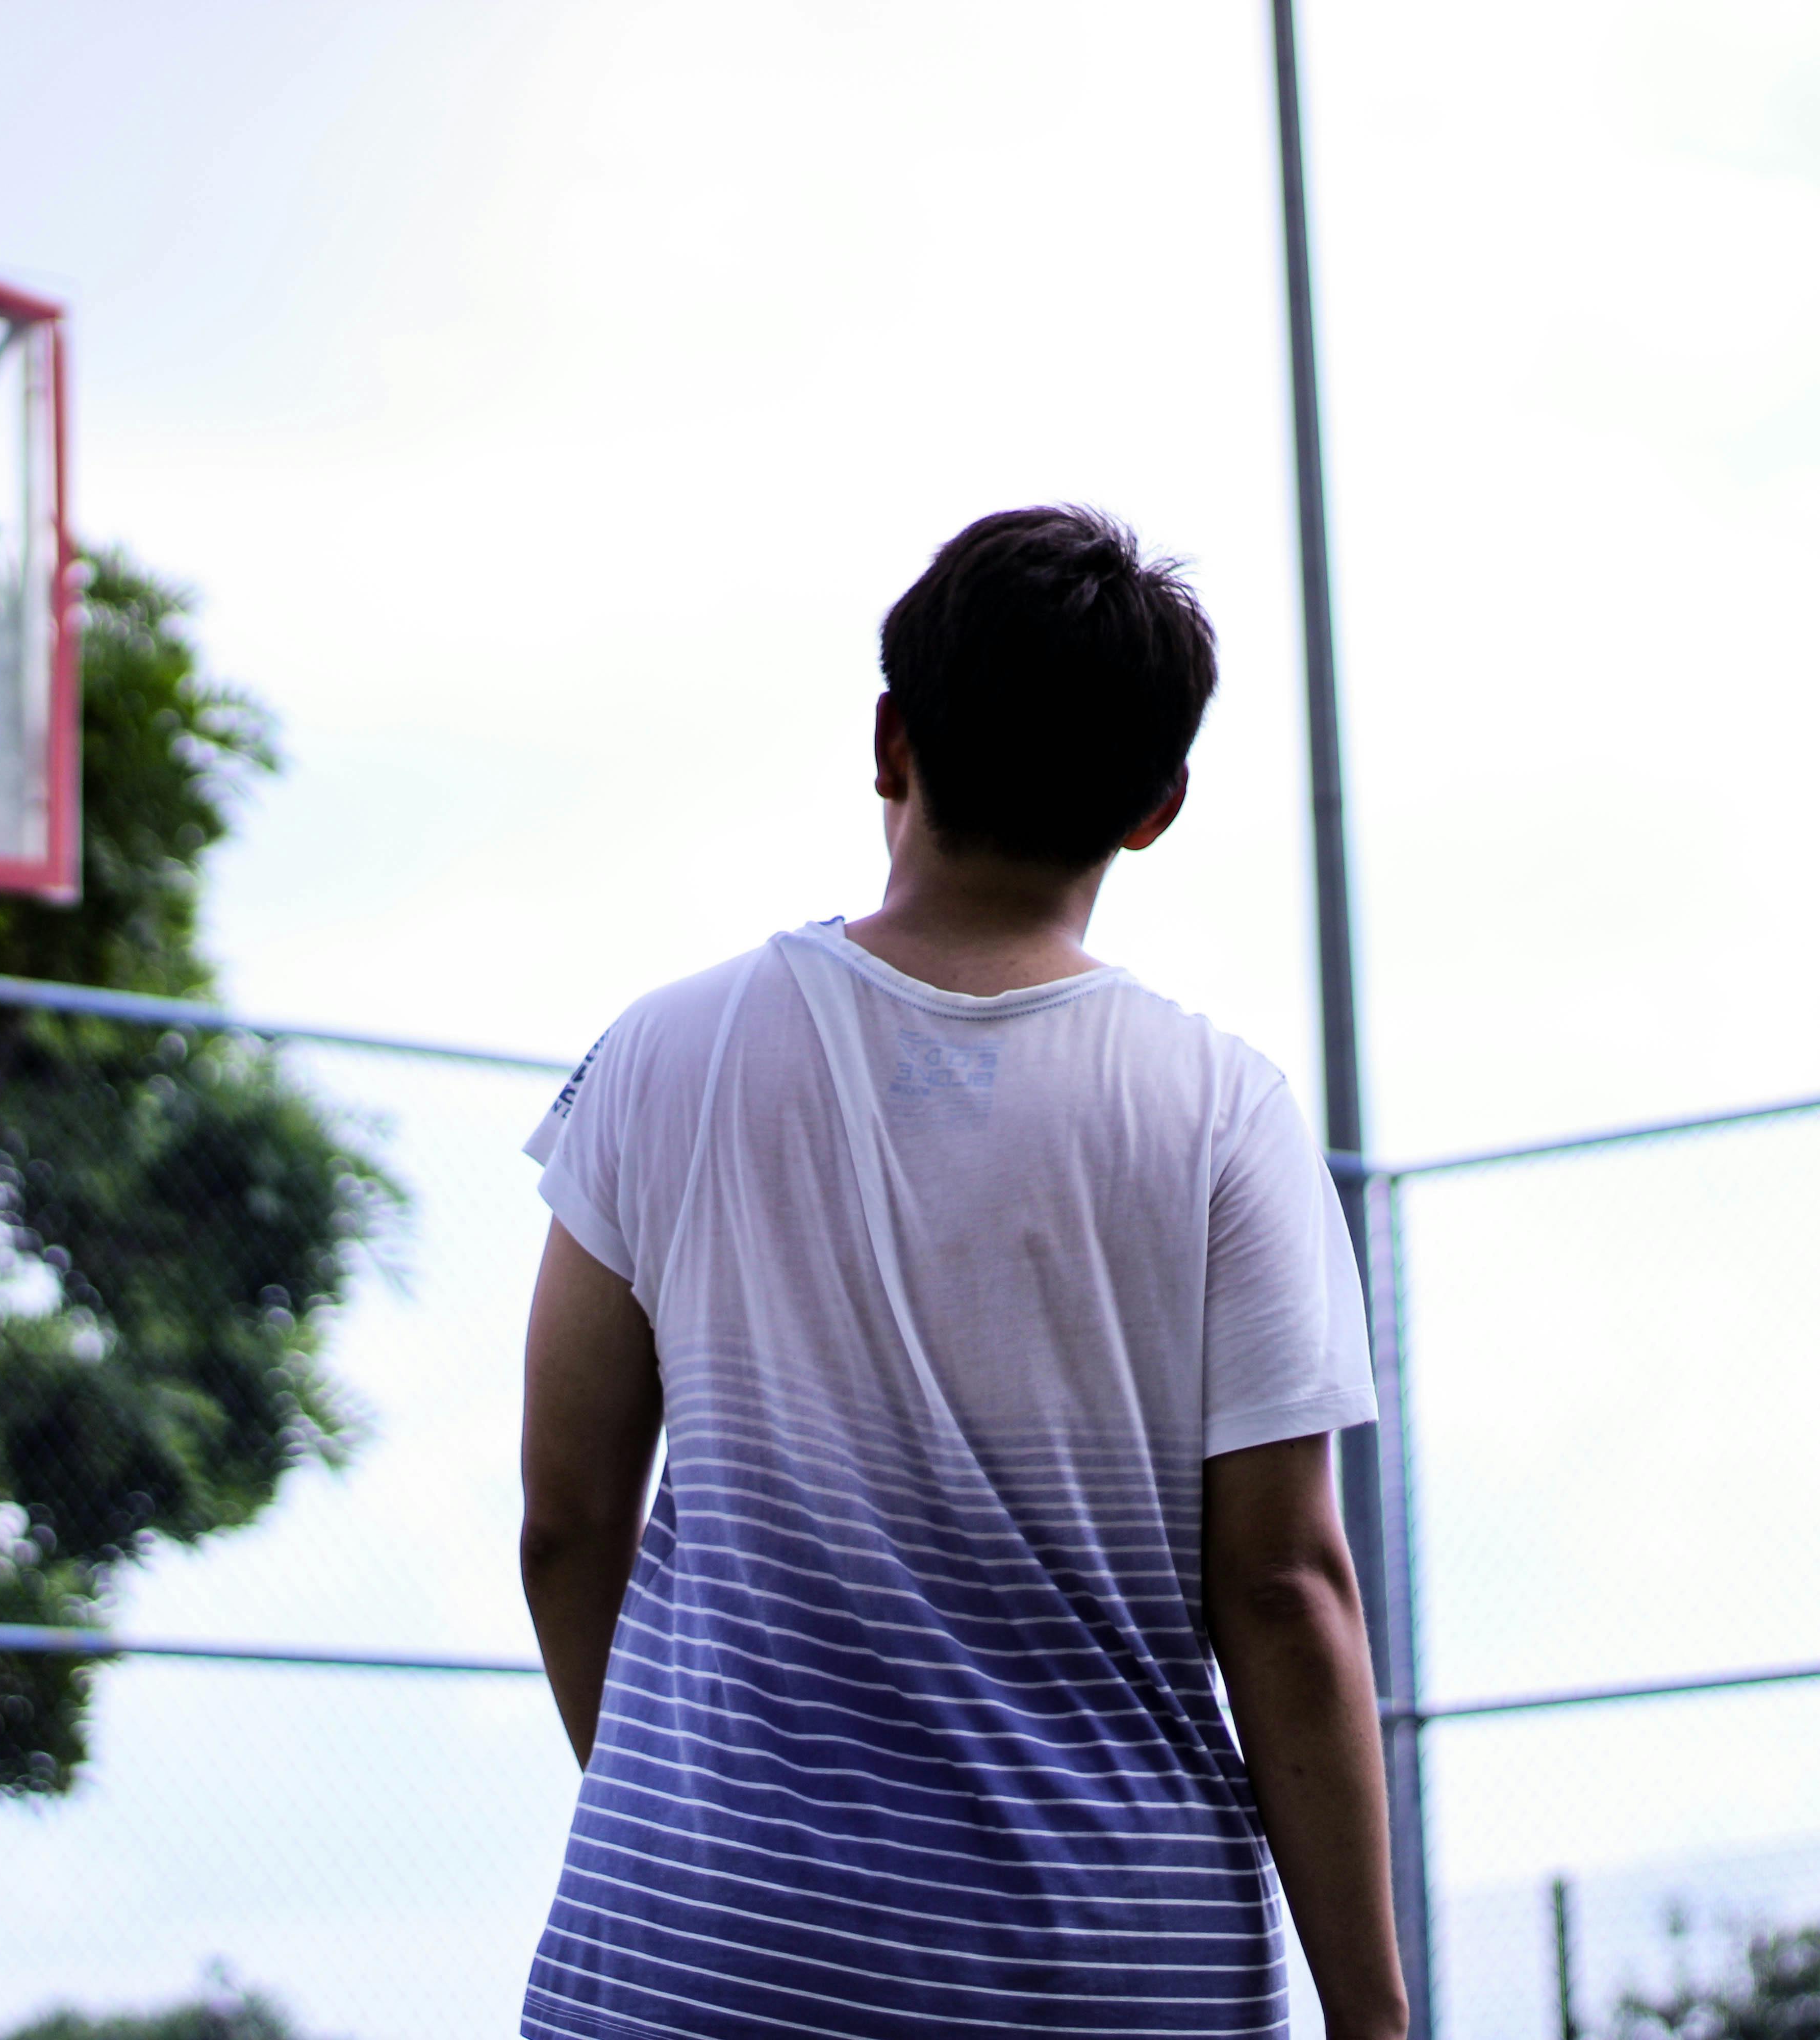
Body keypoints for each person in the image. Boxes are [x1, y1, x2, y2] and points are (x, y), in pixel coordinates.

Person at [516, 505, 1410, 2039]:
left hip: (703, 1956)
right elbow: (1280, 1586)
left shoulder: (658, 1057)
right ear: (1154, 805)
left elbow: (565, 1521)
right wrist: (1373, 2019)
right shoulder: (1219, 1111)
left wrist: (691, 1814)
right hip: (1113, 1970)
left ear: (889, 741)